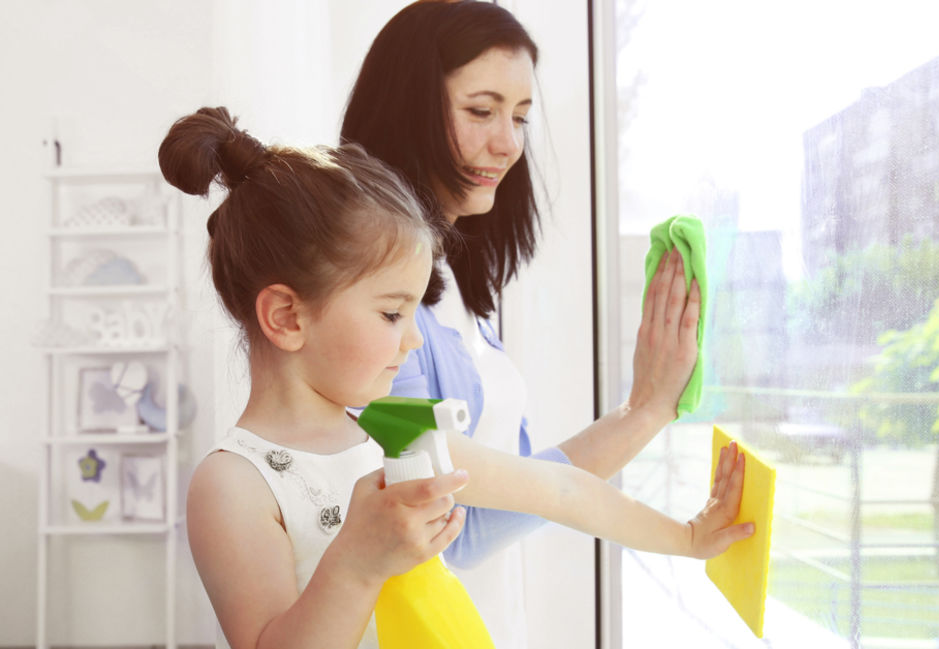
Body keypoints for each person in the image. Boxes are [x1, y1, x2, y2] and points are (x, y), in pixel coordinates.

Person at [164, 106, 751, 649]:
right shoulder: (232, 484)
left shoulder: (394, 433)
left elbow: (559, 488)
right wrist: (356, 563)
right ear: (288, 317)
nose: (414, 338)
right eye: (393, 313)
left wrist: (688, 539)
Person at [341, 2, 705, 646]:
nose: (508, 142)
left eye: (520, 116)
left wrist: (645, 408)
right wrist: (642, 415)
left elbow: (515, 478)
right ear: (409, 108)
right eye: (481, 111)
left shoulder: (461, 288)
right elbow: (464, 528)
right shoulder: (380, 306)